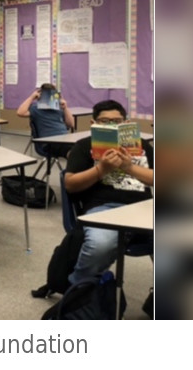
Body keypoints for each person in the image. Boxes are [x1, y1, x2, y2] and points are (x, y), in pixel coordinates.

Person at [64, 100, 153, 285]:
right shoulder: (83, 146)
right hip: (105, 208)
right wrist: (101, 169)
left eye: (117, 121)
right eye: (105, 122)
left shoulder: (142, 145)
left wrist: (130, 168)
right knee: (100, 245)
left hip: (145, 208)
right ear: (93, 123)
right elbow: (70, 184)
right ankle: (79, 289)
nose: (112, 125)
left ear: (126, 123)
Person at [16, 83, 75, 158]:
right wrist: (32, 97)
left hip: (65, 139)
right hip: (49, 142)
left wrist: (65, 108)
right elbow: (20, 112)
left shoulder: (59, 108)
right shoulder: (36, 109)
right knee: (72, 151)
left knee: (83, 146)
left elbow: (71, 124)